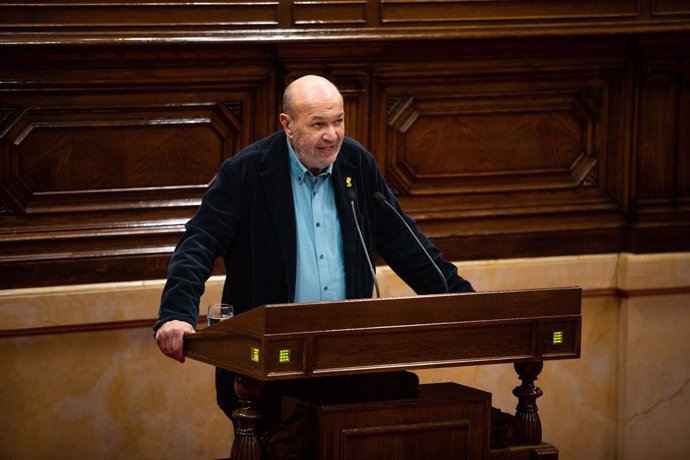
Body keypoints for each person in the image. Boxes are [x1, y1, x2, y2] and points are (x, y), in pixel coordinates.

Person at [154, 75, 474, 425]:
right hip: (269, 364)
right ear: (287, 125)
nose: (332, 135)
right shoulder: (247, 172)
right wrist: (177, 313)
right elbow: (197, 243)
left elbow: (406, 242)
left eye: (338, 121)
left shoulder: (356, 164)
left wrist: (463, 301)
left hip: (345, 362)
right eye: (318, 124)